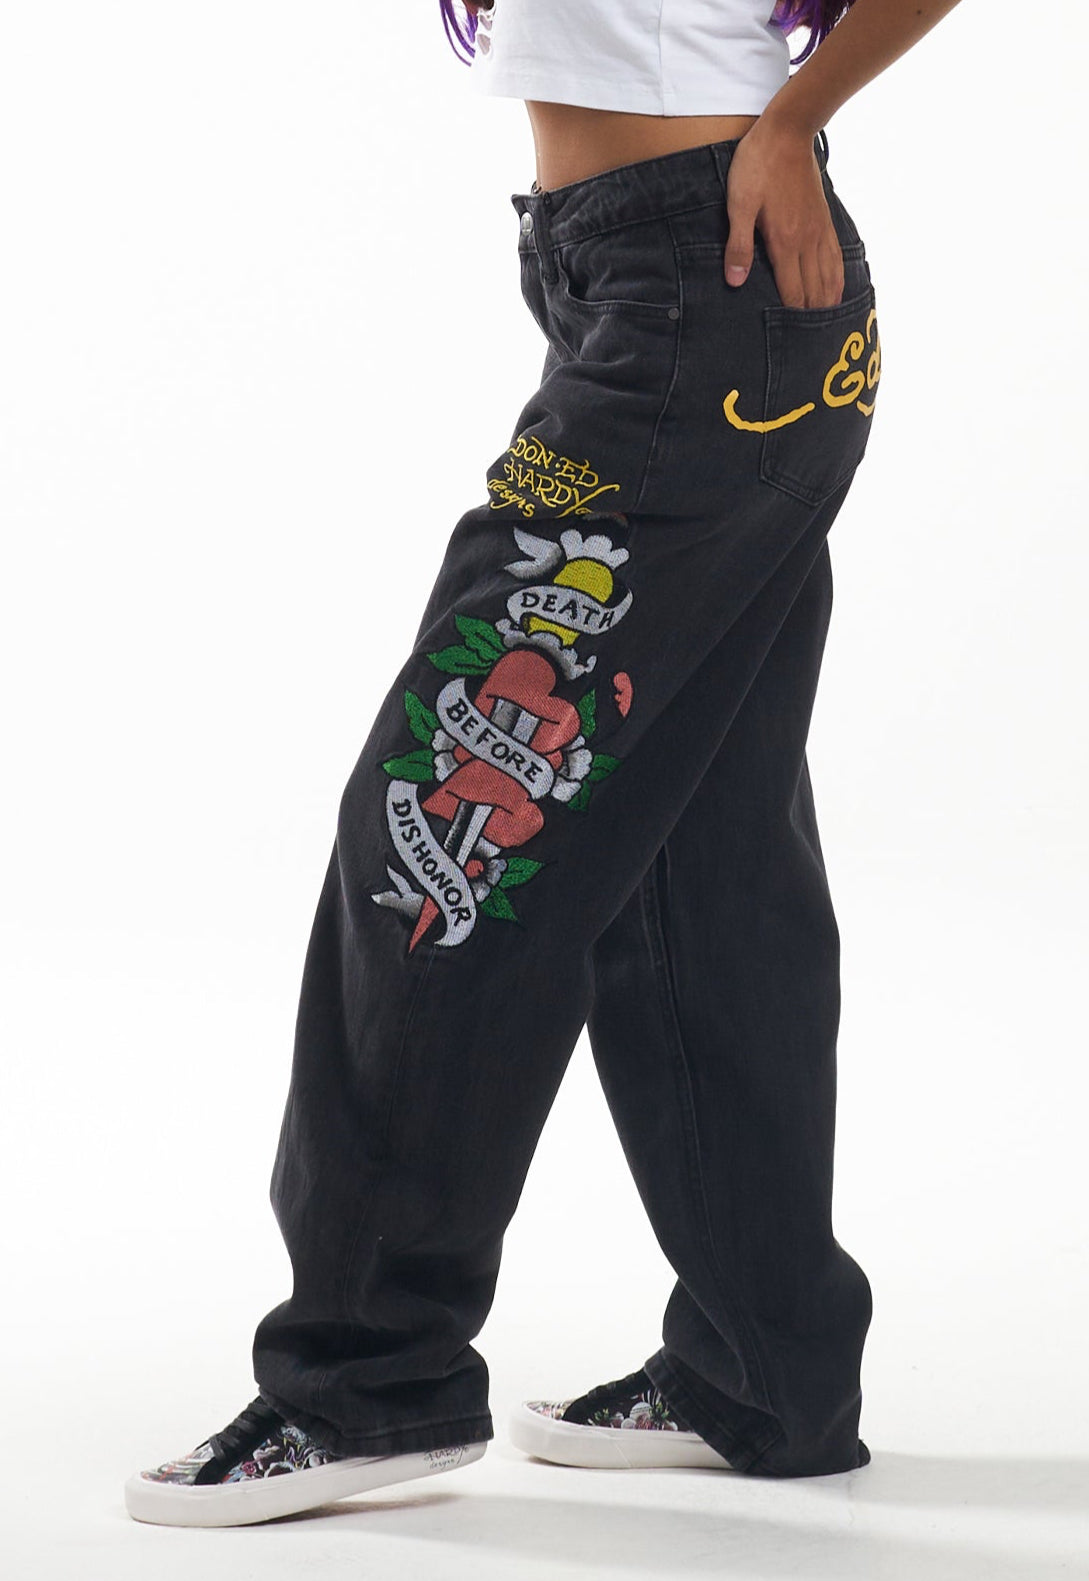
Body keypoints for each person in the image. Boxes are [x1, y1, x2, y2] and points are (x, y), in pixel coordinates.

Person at [125, 0, 962, 1528]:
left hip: (706, 285)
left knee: (444, 824)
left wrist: (792, 118)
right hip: (664, 292)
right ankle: (766, 1365)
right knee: (696, 856)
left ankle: (365, 1379)